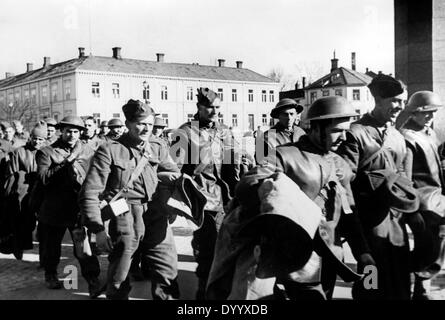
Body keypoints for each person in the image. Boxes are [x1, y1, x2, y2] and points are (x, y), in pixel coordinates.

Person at [208, 96, 374, 300]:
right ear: (316, 128)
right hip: (294, 257)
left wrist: (363, 252)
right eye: (337, 131)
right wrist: (274, 188)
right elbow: (248, 185)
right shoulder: (283, 155)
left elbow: (350, 213)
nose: (343, 138)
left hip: (331, 256)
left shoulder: (340, 164)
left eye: (346, 131)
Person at [79, 99, 180, 300]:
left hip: (155, 213)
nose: (146, 128)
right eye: (140, 123)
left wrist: (171, 195)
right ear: (128, 124)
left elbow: (173, 172)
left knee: (166, 270)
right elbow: (90, 192)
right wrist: (98, 230)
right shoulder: (110, 150)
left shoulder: (157, 146)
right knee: (119, 276)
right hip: (125, 214)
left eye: (150, 124)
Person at [336, 73, 414, 300]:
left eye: (403, 101)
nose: (400, 107)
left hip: (395, 223)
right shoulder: (355, 133)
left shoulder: (396, 136)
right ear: (379, 100)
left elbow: (403, 179)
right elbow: (344, 181)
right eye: (395, 101)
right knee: (371, 279)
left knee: (398, 279)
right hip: (368, 222)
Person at [171, 88, 240, 299]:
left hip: (225, 199)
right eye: (210, 107)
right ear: (199, 107)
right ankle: (205, 294)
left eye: (218, 107)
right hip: (201, 199)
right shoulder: (184, 132)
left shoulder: (225, 131)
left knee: (228, 247)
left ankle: (218, 291)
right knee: (207, 249)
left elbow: (232, 166)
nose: (214, 111)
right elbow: (174, 168)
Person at [35, 115, 101, 296]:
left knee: (83, 247)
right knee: (52, 247)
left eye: (76, 131)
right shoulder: (46, 152)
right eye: (68, 131)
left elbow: (94, 175)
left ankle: (93, 279)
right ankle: (50, 274)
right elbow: (43, 178)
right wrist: (67, 162)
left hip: (77, 209)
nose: (72, 135)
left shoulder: (88, 150)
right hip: (53, 208)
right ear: (61, 132)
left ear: (81, 133)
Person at [398, 90, 445, 299]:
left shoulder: (429, 133)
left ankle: (421, 286)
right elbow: (405, 178)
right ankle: (420, 287)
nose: (430, 117)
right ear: (414, 112)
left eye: (433, 113)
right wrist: (411, 210)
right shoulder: (406, 137)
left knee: (433, 244)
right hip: (423, 202)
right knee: (428, 245)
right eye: (426, 113)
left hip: (436, 197)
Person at [2, 124, 47, 259]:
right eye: (35, 138)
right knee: (24, 221)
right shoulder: (19, 152)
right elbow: (12, 174)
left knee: (45, 225)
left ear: (44, 140)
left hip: (43, 192)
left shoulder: (47, 152)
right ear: (30, 138)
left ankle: (45, 257)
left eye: (40, 139)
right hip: (25, 191)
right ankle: (19, 246)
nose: (37, 142)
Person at [255, 98, 305, 164]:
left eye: (291, 114)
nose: (289, 118)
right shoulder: (266, 137)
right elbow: (260, 163)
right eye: (285, 114)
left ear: (296, 115)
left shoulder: (301, 133)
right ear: (278, 116)